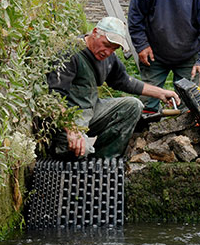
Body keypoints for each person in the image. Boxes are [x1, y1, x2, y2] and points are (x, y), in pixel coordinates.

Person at [46, 16, 180, 160]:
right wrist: (71, 129)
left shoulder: (108, 57)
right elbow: (53, 98)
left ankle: (104, 159)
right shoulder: (71, 52)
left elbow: (124, 81)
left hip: (91, 111)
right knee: (79, 150)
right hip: (67, 118)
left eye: (114, 49)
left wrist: (160, 93)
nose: (108, 52)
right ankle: (77, 151)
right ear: (95, 32)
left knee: (133, 105)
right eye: (106, 44)